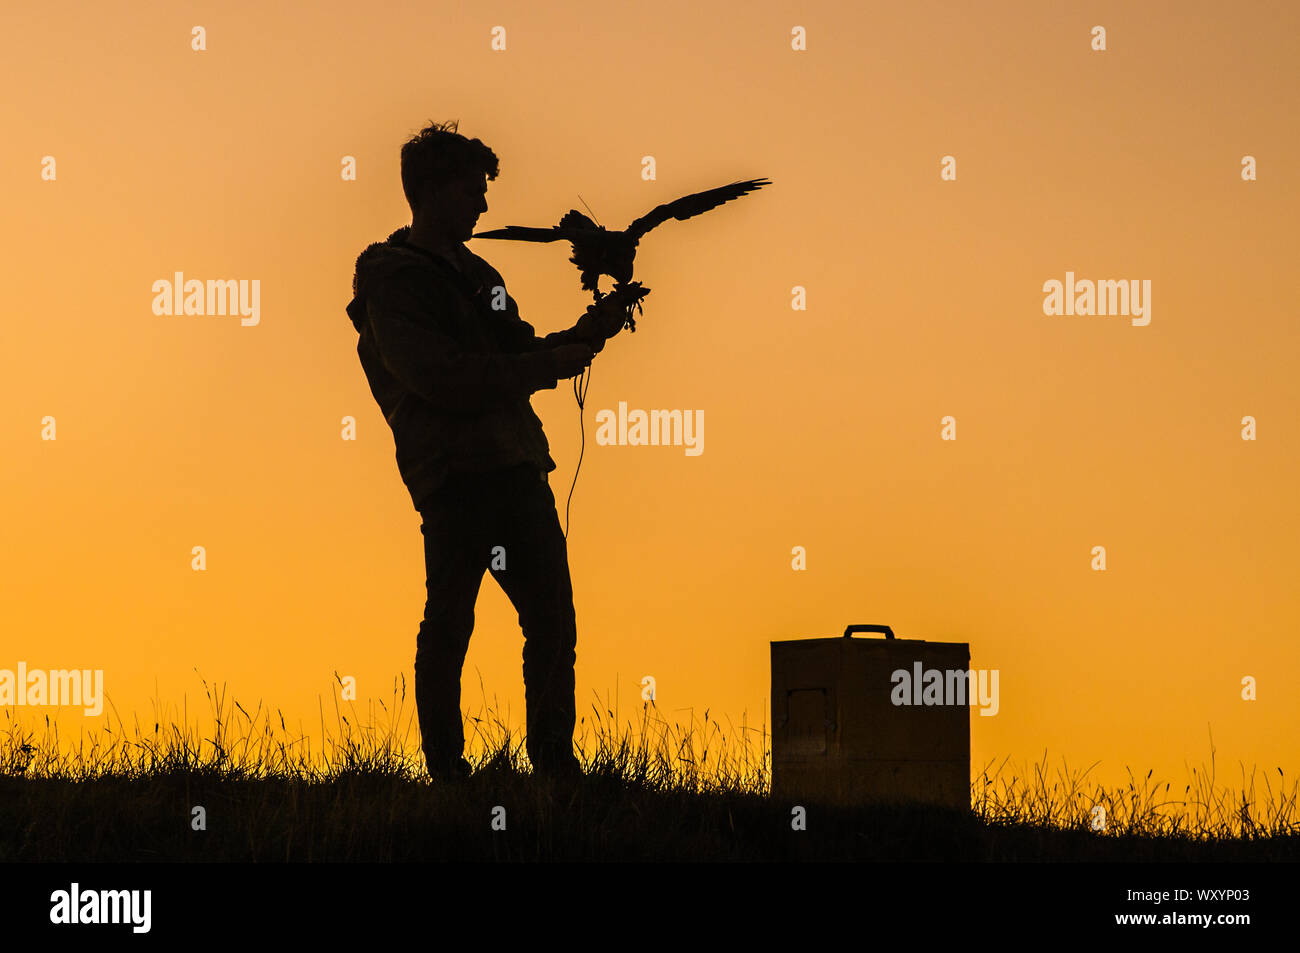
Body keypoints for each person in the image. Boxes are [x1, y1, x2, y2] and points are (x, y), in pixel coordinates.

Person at [344, 120, 644, 782]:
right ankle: (447, 775)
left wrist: (585, 334)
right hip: (452, 477)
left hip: (515, 468)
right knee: (451, 619)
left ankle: (554, 768)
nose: (484, 205)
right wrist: (549, 363)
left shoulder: (482, 274)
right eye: (473, 190)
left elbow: (517, 350)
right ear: (431, 191)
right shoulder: (390, 281)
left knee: (552, 621)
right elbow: (442, 376)